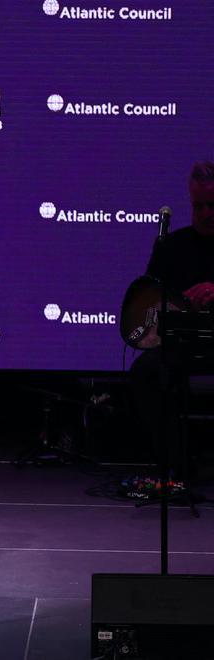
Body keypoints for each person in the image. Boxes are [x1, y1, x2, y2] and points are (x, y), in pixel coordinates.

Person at [128, 161, 214, 487]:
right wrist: (179, 304)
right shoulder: (172, 245)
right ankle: (177, 465)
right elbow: (150, 297)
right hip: (185, 343)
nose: (206, 213)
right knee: (145, 372)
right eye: (199, 206)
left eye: (213, 205)